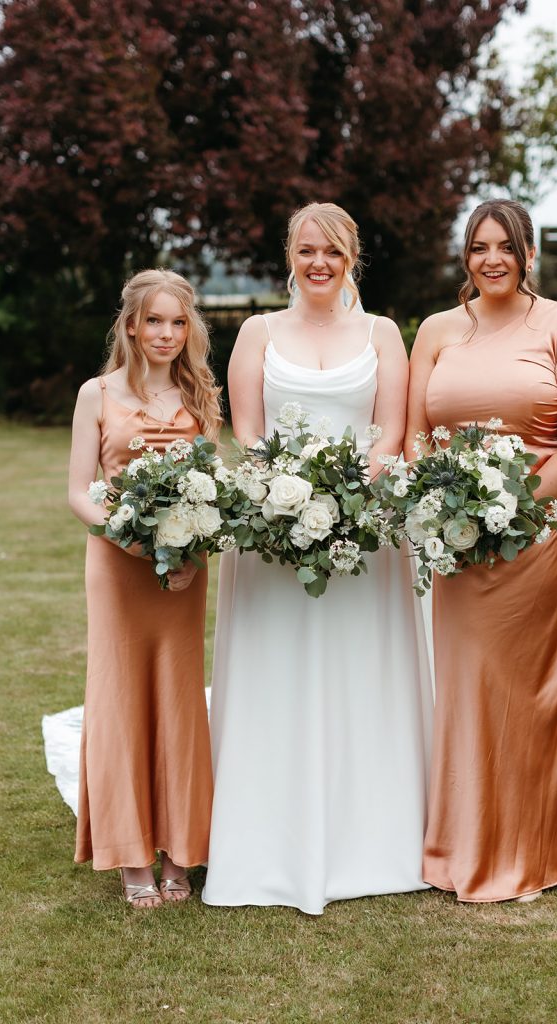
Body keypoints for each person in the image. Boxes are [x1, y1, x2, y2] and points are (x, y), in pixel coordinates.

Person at [203, 202, 433, 914]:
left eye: (331, 252)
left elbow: (390, 431)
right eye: (306, 251)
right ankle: (267, 837)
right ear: (290, 255)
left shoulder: (382, 333)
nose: (318, 264)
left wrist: (347, 496)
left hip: (367, 527)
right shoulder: (257, 331)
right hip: (275, 531)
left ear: (350, 258)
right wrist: (290, 495)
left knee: (364, 669)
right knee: (280, 669)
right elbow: (245, 429)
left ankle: (377, 836)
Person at [406, 199, 557, 903]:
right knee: (466, 684)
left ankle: (536, 845)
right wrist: (442, 508)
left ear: (527, 253)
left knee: (526, 686)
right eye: (478, 247)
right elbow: (412, 437)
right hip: (456, 541)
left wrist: (510, 507)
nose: (491, 259)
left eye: (505, 246)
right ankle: (462, 843)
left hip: (537, 531)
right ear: (464, 256)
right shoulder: (434, 330)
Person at [68, 269, 222, 908]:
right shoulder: (95, 393)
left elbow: (215, 494)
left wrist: (191, 551)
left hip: (181, 575)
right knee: (120, 693)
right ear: (130, 324)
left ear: (191, 331)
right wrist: (131, 536)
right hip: (117, 564)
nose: (166, 333)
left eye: (178, 322)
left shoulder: (202, 397)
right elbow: (79, 490)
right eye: (154, 320)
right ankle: (131, 852)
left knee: (179, 698)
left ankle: (181, 848)